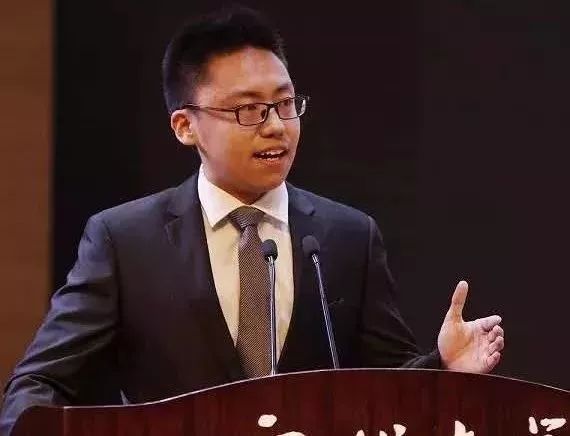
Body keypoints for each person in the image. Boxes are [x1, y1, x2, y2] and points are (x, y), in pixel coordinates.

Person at [0, 6, 504, 435]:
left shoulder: (346, 237)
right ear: (185, 126)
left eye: (285, 104)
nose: (276, 127)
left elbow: (389, 391)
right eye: (248, 111)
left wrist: (443, 368)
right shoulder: (125, 241)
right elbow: (36, 386)